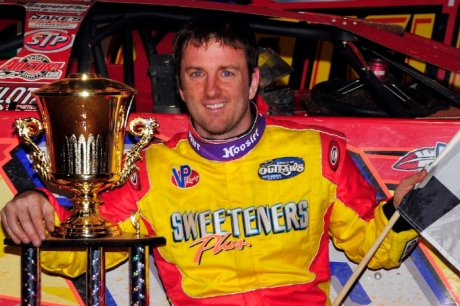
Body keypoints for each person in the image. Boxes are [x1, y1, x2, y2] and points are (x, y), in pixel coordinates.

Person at [1, 13, 426, 305]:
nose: (212, 92)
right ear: (181, 89)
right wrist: (36, 212)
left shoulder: (317, 154)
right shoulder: (150, 171)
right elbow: (79, 252)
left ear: (253, 80)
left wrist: (409, 214)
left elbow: (375, 247)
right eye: (196, 74)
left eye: (227, 72)